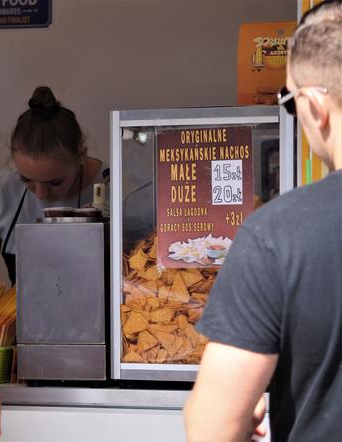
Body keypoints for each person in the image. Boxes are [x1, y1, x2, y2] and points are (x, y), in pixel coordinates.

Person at [184, 2, 342, 441]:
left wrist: (241, 403)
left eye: (288, 103)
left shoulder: (275, 236)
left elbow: (212, 428)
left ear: (314, 106)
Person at [0, 86, 109, 310]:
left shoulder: (118, 192)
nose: (40, 193)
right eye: (26, 179)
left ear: (81, 156)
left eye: (54, 182)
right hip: (24, 334)